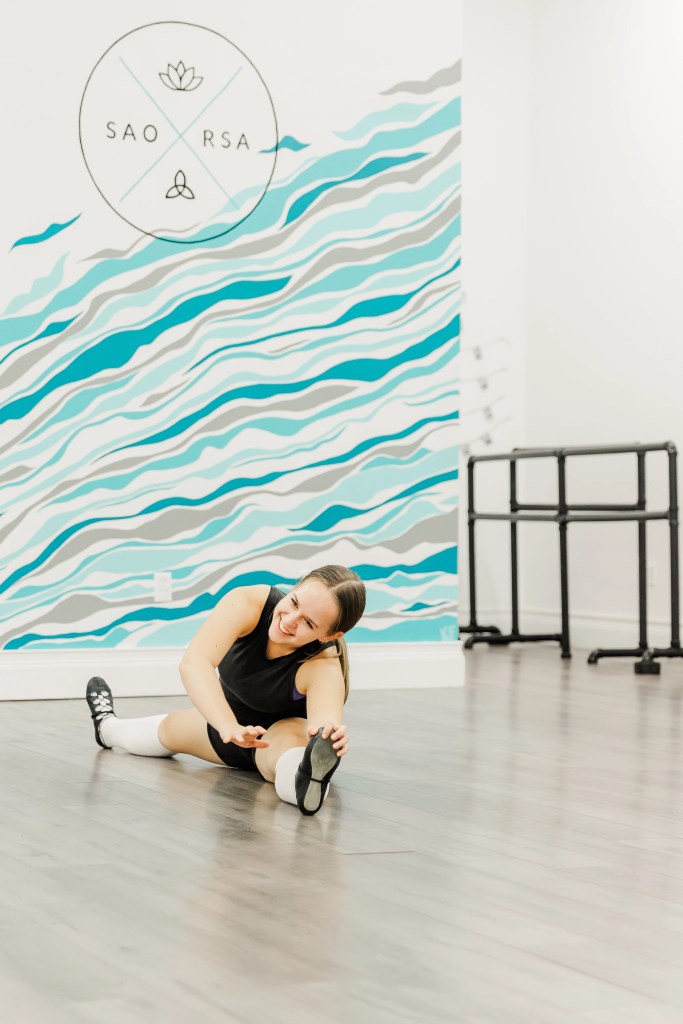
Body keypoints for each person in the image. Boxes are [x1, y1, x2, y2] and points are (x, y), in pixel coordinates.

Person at [85, 565, 366, 815]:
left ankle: (307, 781)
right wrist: (228, 727)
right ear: (297, 584)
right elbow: (195, 663)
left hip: (274, 741)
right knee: (165, 728)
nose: (290, 620)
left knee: (295, 747)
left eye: (308, 623)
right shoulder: (249, 603)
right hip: (223, 727)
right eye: (293, 603)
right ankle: (106, 726)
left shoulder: (324, 666)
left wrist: (331, 737)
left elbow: (322, 727)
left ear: (331, 635)